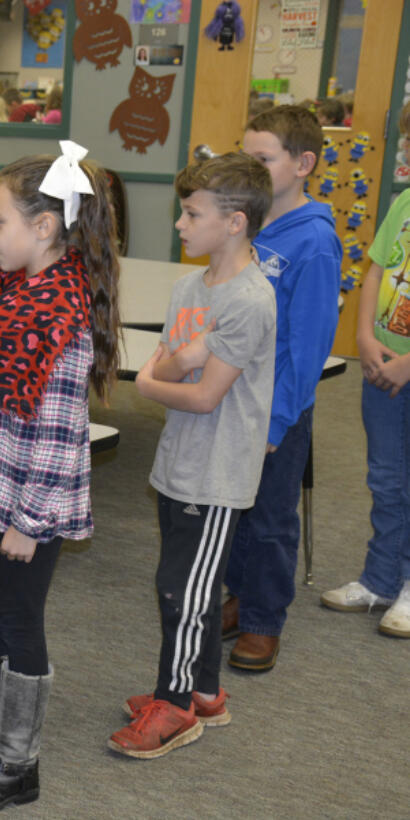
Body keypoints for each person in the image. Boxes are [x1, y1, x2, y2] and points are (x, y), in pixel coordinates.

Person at [0, 141, 121, 811]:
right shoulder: (10, 292)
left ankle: (19, 762)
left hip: (29, 502)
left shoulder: (61, 316)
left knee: (18, 621)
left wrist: (28, 520)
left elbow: (57, 430)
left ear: (44, 227)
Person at [109, 152, 276, 759]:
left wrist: (163, 376)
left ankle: (175, 705)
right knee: (185, 587)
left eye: (191, 213)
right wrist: (175, 366)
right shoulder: (188, 287)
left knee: (182, 589)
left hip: (217, 474)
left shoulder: (250, 300)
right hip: (179, 463)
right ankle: (205, 690)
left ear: (234, 222)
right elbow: (169, 363)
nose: (179, 224)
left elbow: (200, 392)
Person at [222, 104, 343, 671]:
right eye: (245, 155)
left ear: (303, 165)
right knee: (234, 509)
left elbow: (311, 343)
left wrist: (279, 418)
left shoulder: (313, 242)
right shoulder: (247, 220)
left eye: (262, 158)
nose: (250, 166)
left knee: (270, 516)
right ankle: (240, 597)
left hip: (279, 408)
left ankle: (264, 621)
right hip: (233, 394)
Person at [319, 100, 410, 639]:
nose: (404, 150)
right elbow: (375, 270)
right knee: (385, 476)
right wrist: (364, 339)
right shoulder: (403, 204)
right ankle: (381, 578)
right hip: (382, 363)